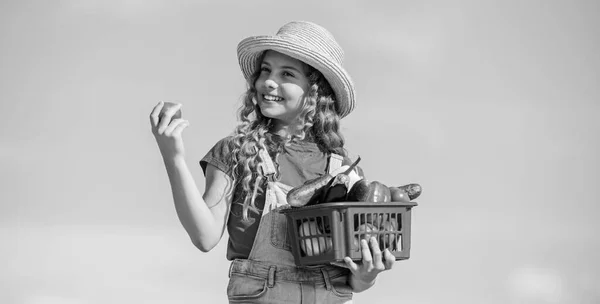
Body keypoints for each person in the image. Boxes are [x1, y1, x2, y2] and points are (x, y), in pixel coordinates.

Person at [150, 21, 396, 303]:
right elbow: (204, 236)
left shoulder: (343, 172)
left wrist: (367, 274)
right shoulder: (237, 152)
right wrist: (173, 156)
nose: (268, 81)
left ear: (316, 92)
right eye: (265, 70)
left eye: (286, 74)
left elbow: (354, 277)